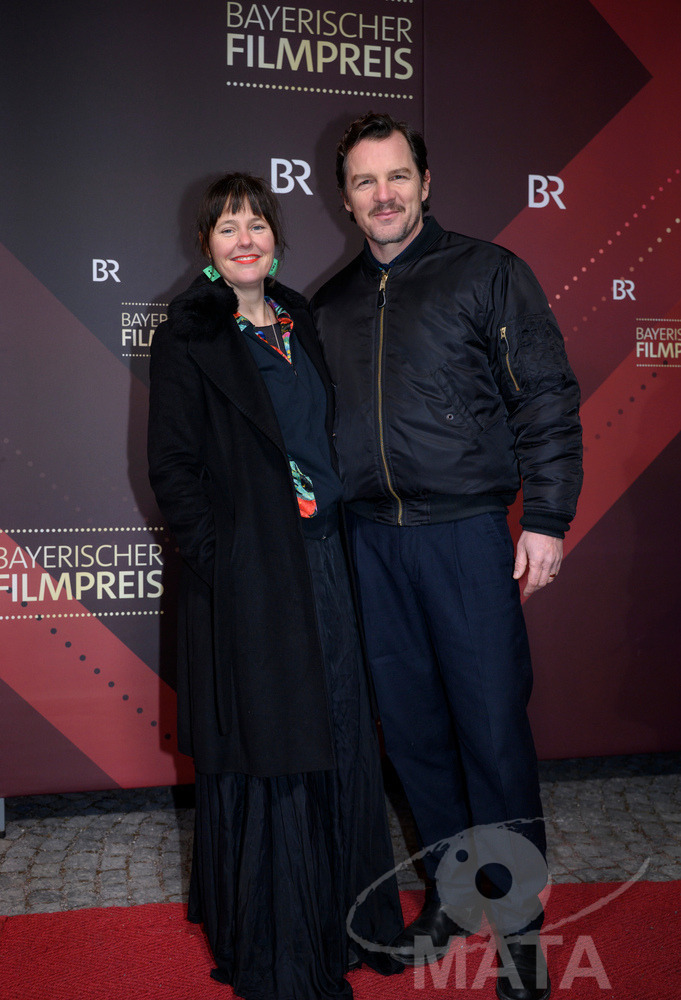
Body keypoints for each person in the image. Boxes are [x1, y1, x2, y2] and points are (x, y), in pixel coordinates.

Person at [312, 114, 583, 1000]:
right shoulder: (332, 303)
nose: (382, 194)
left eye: (397, 176)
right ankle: (454, 899)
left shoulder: (488, 273)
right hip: (369, 545)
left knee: (492, 737)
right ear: (344, 197)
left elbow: (543, 394)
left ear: (425, 183)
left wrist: (543, 518)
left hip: (466, 539)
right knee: (418, 740)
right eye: (363, 181)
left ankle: (520, 935)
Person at [147, 172, 404, 1000]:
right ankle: (283, 940)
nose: (244, 238)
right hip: (251, 580)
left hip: (326, 563)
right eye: (227, 229)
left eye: (256, 224)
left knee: (337, 734)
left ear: (277, 236)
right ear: (206, 247)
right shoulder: (189, 333)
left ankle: (351, 920)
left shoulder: (304, 318)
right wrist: (225, 559)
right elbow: (172, 468)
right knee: (275, 748)